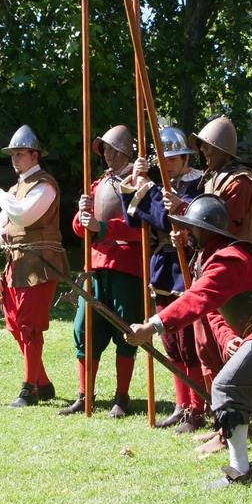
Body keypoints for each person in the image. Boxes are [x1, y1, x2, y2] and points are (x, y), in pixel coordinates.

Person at [127, 195, 252, 487]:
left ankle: (240, 471)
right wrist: (227, 337)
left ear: (207, 231)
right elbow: (214, 307)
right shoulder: (214, 256)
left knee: (226, 387)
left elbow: (197, 299)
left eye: (193, 229)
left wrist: (152, 326)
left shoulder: (229, 260)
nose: (188, 233)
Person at [182, 116, 252, 455]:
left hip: (232, 274)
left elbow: (222, 226)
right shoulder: (210, 179)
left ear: (220, 149)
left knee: (225, 349)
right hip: (208, 267)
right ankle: (220, 423)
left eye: (206, 145)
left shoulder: (239, 183)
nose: (201, 150)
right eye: (200, 144)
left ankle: (232, 427)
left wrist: (190, 219)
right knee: (205, 346)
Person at [124, 125, 207, 432]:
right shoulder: (160, 187)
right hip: (163, 266)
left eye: (173, 159)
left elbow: (172, 217)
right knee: (170, 342)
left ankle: (197, 408)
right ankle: (181, 404)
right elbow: (133, 219)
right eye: (164, 160)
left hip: (189, 264)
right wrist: (136, 182)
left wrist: (153, 191)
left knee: (189, 343)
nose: (167, 164)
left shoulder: (200, 184)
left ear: (185, 158)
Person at [0, 124, 67, 408]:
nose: (15, 159)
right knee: (15, 325)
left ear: (34, 155)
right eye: (13, 154)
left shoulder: (45, 184)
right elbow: (5, 221)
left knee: (30, 327)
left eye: (20, 154)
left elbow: (24, 215)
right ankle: (41, 382)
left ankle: (29, 389)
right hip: (16, 263)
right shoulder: (16, 188)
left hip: (40, 264)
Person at [66, 125, 143, 417]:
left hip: (126, 265)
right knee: (84, 328)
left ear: (125, 151)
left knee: (125, 328)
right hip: (95, 265)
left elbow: (142, 227)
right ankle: (85, 394)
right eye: (105, 150)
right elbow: (80, 227)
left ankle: (121, 397)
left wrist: (105, 227)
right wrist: (82, 213)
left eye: (112, 149)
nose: (107, 154)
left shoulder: (137, 184)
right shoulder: (97, 185)